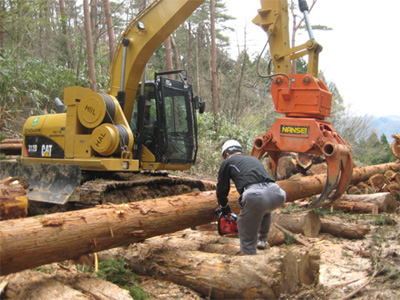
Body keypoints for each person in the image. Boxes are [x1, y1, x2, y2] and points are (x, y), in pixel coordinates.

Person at [216, 140, 286, 255]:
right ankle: (262, 240)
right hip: (277, 193)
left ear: (227, 154)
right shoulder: (253, 159)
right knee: (265, 209)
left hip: (255, 195)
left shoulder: (228, 161)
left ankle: (249, 255)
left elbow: (222, 189)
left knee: (243, 222)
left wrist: (224, 206)